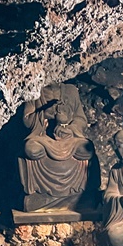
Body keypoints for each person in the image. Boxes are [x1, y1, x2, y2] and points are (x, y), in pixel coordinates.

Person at [19, 84, 98, 212]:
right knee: (31, 150)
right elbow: (27, 120)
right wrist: (44, 114)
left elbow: (81, 119)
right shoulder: (34, 89)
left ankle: (79, 194)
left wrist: (70, 129)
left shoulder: (71, 90)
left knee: (86, 150)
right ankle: (40, 195)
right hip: (44, 137)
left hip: (69, 138)